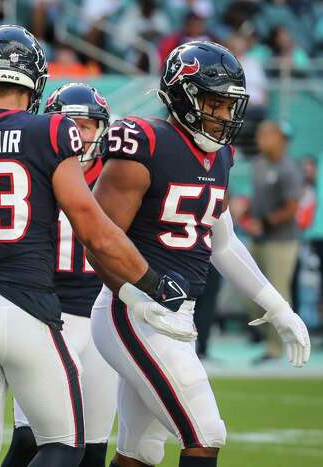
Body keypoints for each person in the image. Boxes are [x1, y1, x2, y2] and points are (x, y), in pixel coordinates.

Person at [0, 25, 193, 467]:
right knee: (64, 444)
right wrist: (151, 279)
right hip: (25, 307)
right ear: (33, 80)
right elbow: (92, 227)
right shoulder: (47, 132)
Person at [89, 41, 310, 467]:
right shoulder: (144, 141)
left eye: (230, 106)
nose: (225, 116)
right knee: (206, 433)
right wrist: (137, 293)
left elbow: (222, 243)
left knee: (139, 453)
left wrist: (277, 307)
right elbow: (99, 235)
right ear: (182, 95)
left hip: (177, 314)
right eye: (216, 103)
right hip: (134, 312)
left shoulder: (221, 155)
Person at [1, 83, 117, 467]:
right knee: (30, 441)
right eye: (70, 123)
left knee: (94, 450)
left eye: (88, 125)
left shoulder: (120, 178)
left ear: (102, 130)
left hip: (101, 319)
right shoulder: (29, 174)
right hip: (43, 314)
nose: (80, 134)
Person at [245, 120, 303, 363]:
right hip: (258, 237)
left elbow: (292, 208)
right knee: (250, 293)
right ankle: (266, 337)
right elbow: (256, 200)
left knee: (277, 294)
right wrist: (247, 215)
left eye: (266, 134)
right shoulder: (258, 164)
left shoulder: (289, 168)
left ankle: (277, 347)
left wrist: (265, 223)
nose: (260, 137)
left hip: (281, 241)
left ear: (280, 139)